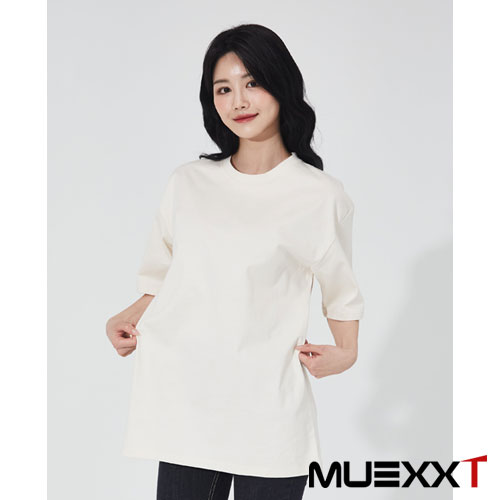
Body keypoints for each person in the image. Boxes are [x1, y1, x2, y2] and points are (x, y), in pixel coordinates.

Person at [106, 23, 365, 500]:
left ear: (281, 84)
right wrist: (127, 316)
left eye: (252, 83)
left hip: (270, 413)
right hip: (189, 405)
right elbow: (165, 276)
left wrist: (346, 351)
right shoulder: (189, 183)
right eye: (223, 89)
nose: (238, 101)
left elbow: (340, 289)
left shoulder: (319, 196)